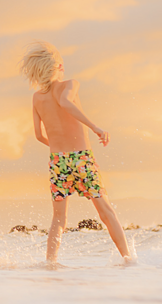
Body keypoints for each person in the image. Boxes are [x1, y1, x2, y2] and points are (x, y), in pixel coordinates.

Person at [20, 43, 134, 266]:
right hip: (81, 157)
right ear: (59, 66)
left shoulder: (36, 98)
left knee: (59, 219)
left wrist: (58, 151)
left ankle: (50, 263)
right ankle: (129, 260)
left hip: (57, 161)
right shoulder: (71, 84)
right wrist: (95, 128)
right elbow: (64, 102)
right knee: (106, 212)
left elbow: (38, 135)